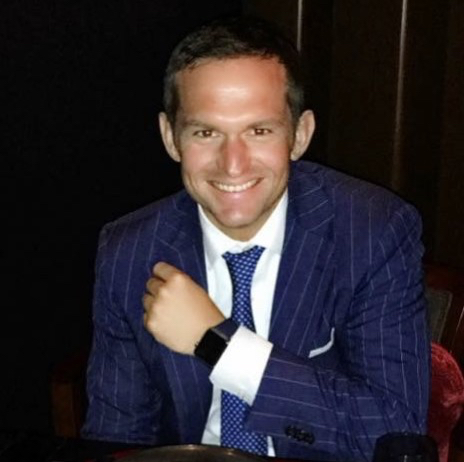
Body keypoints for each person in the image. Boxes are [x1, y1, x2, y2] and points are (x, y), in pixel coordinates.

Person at [82, 16, 430, 461]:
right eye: (206, 132)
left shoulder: (373, 232)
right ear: (171, 138)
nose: (233, 163)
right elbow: (117, 438)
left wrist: (218, 345)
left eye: (259, 131)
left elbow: (395, 432)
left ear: (299, 135)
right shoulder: (129, 252)